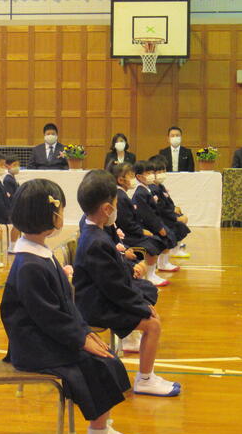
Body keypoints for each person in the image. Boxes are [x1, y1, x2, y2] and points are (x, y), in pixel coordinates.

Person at [0, 178, 143, 434]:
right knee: (96, 364)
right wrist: (81, 339)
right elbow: (49, 317)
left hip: (49, 335)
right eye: (61, 210)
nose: (62, 215)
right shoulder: (29, 264)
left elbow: (64, 304)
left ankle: (103, 429)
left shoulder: (39, 252)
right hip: (34, 346)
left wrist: (85, 332)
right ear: (49, 215)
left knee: (106, 358)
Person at [74, 170, 181, 398]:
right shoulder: (95, 240)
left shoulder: (97, 233)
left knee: (146, 293)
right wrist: (140, 306)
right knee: (153, 324)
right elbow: (113, 287)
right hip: (95, 305)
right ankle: (145, 379)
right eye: (115, 203)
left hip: (102, 296)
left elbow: (113, 271)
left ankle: (139, 355)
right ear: (107, 209)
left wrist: (130, 271)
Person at [109, 162, 170, 287]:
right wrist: (141, 231)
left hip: (131, 231)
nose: (133, 179)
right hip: (128, 235)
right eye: (131, 176)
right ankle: (149, 276)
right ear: (120, 180)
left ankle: (151, 273)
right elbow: (126, 223)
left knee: (157, 240)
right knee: (153, 243)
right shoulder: (120, 196)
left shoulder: (123, 194)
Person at [132, 160, 179, 274]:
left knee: (169, 235)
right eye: (148, 173)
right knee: (158, 242)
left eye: (152, 172)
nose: (151, 175)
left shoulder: (147, 189)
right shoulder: (140, 193)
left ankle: (163, 263)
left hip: (156, 222)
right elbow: (147, 214)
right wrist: (158, 227)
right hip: (148, 226)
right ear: (139, 176)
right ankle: (151, 272)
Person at [149, 156, 191, 258]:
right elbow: (160, 209)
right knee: (180, 226)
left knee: (182, 219)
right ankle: (174, 250)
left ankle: (176, 247)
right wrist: (175, 217)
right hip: (162, 217)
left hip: (167, 214)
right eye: (159, 172)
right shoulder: (153, 189)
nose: (162, 174)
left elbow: (168, 201)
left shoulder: (160, 186)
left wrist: (174, 208)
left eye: (164, 171)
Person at [4, 155, 22, 248]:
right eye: (14, 165)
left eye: (18, 165)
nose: (17, 167)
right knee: (17, 224)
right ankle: (12, 246)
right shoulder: (8, 179)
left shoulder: (13, 178)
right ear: (7, 166)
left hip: (16, 207)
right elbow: (10, 196)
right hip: (12, 208)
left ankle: (16, 244)